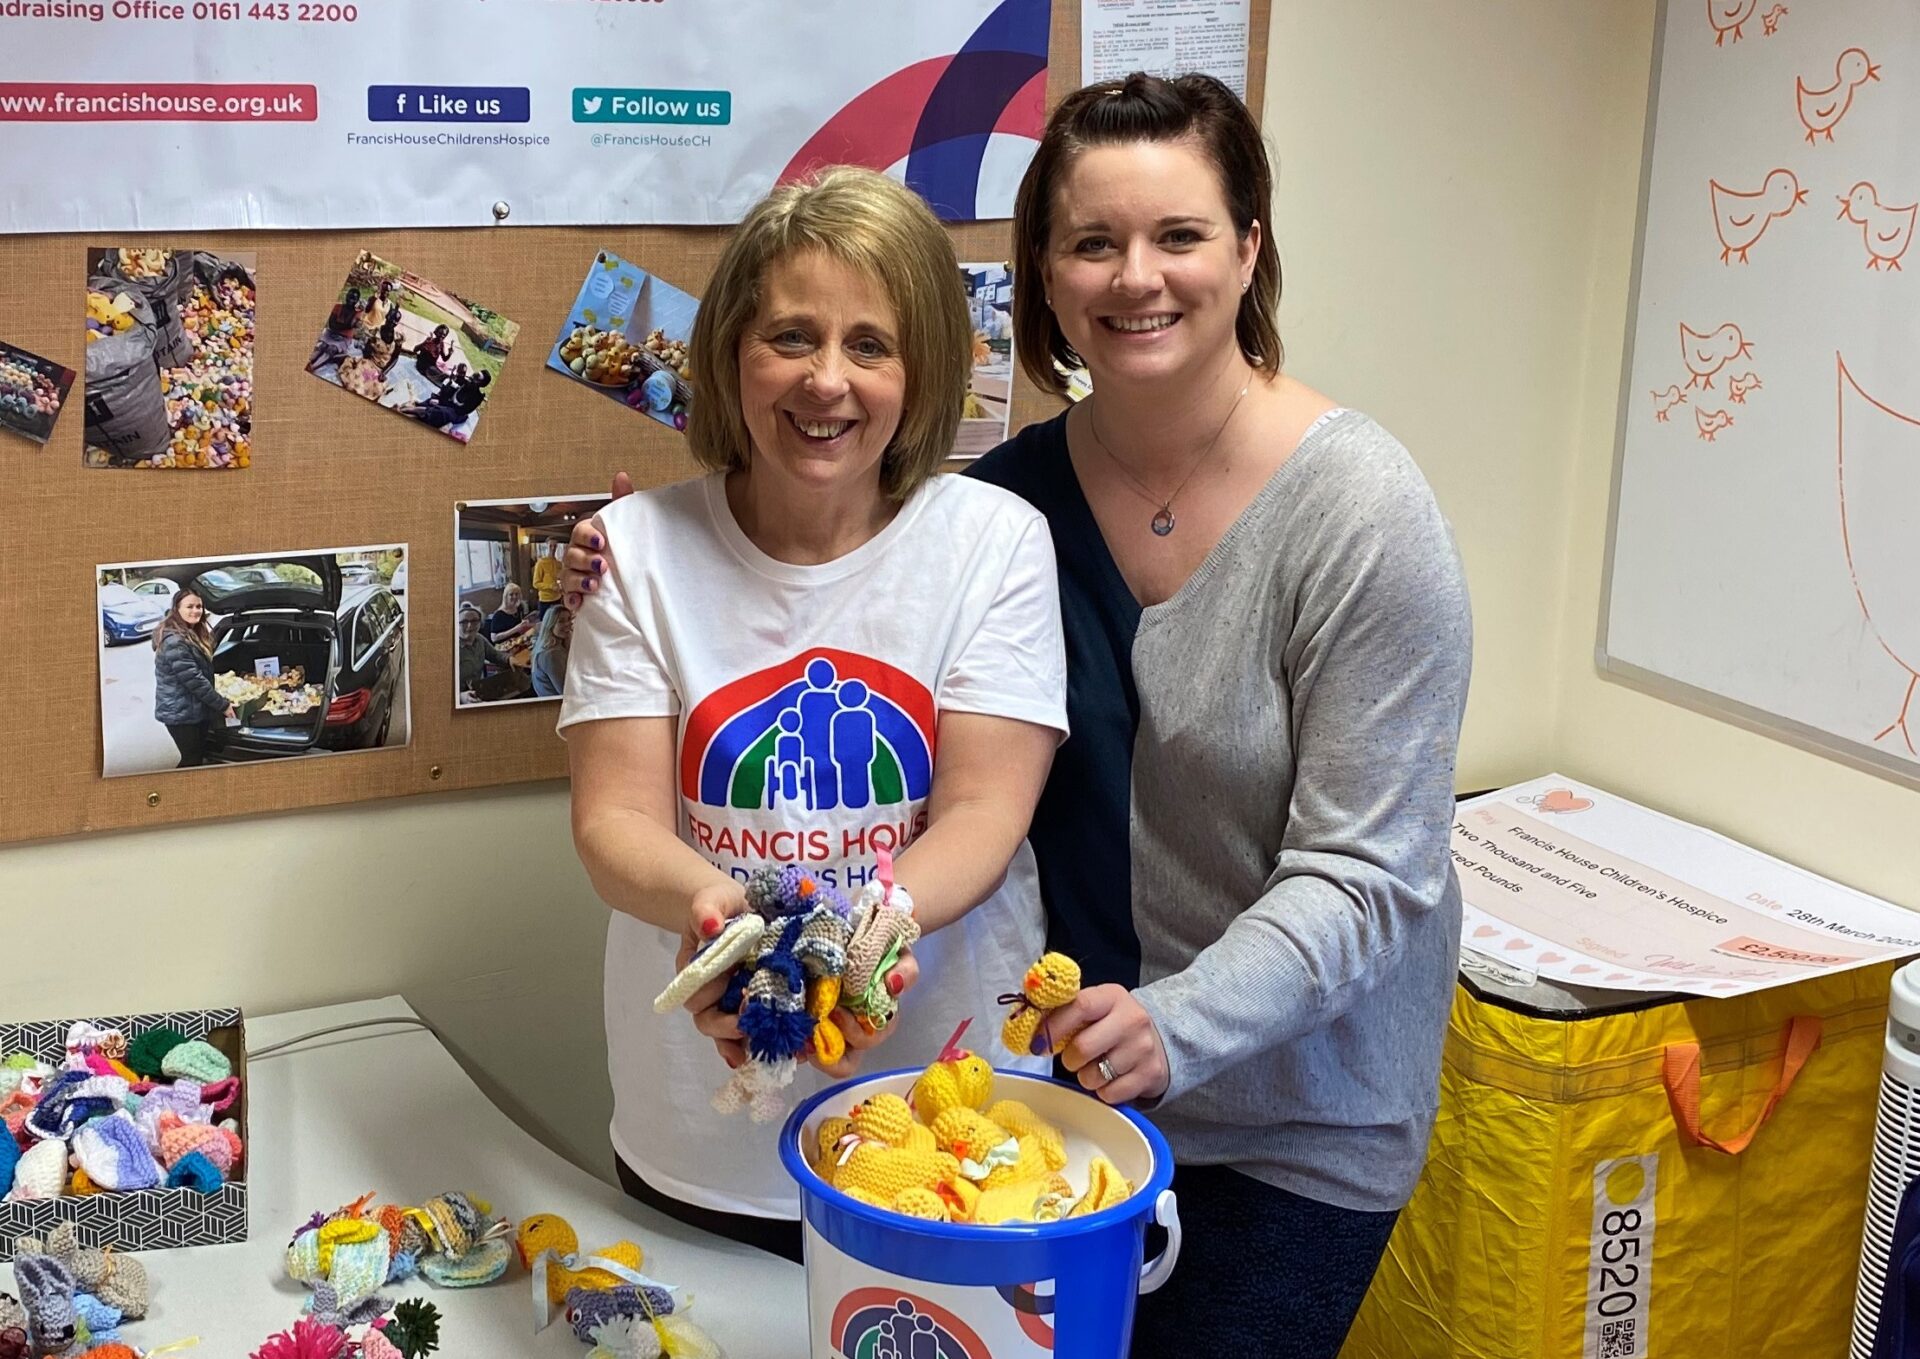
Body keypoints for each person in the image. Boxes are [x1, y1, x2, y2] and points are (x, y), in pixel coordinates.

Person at [563, 75, 1472, 1359]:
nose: (1134, 276)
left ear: (1251, 247)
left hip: (1285, 1115)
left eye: (1180, 235)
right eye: (1093, 242)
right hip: (1059, 1079)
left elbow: (1372, 870)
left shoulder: (1359, 514)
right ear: (1044, 275)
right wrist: (617, 566)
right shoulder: (1022, 498)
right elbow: (821, 574)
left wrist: (1172, 1023)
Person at [557, 165, 1067, 1265]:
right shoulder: (632, 552)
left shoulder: (996, 543)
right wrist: (717, 917)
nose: (826, 381)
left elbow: (985, 809)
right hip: (701, 1134)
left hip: (943, 1126)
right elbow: (612, 823)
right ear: (732, 349)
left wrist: (864, 935)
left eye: (870, 345)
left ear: (922, 364)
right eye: (790, 335)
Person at [152, 588, 235, 768]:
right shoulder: (175, 641)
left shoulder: (192, 633)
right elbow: (195, 681)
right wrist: (223, 704)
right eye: (189, 606)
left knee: (198, 756)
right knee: (191, 760)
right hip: (180, 714)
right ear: (176, 609)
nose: (196, 610)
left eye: (199, 606)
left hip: (192, 710)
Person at [455, 602, 510, 701]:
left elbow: (495, 655)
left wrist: (509, 659)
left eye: (474, 621)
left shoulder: (480, 639)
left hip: (478, 691)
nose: (469, 626)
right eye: (464, 622)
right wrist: (460, 697)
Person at [307, 287, 362, 373]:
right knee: (321, 346)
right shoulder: (337, 307)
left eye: (353, 299)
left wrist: (344, 325)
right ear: (346, 296)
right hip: (331, 333)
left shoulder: (357, 313)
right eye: (349, 297)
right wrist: (347, 326)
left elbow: (351, 324)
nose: (350, 300)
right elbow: (332, 325)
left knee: (331, 349)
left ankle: (313, 367)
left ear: (357, 301)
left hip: (344, 339)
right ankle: (308, 362)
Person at [530, 604, 572, 698]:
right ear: (550, 625)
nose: (567, 624)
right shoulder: (551, 654)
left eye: (569, 619)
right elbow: (565, 691)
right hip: (554, 707)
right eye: (561, 621)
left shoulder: (553, 645)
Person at [531, 542, 563, 617]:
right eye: (550, 546)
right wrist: (551, 586)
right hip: (545, 600)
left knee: (557, 622)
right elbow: (536, 583)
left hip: (558, 598)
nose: (553, 548)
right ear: (546, 546)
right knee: (545, 624)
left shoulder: (559, 564)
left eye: (555, 546)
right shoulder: (541, 563)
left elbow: (560, 579)